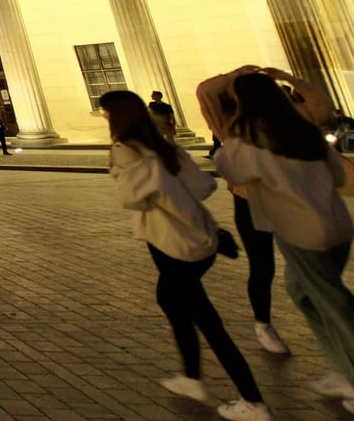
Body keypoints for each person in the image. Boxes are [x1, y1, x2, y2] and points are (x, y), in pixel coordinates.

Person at [101, 89, 268, 419]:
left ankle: (253, 402)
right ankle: (191, 377)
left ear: (117, 118)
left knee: (208, 322)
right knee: (169, 299)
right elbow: (205, 187)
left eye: (106, 115)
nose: (105, 120)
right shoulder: (166, 147)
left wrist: (134, 176)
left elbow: (131, 198)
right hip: (201, 239)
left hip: (172, 245)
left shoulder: (126, 152)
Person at [206, 65, 354, 406]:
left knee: (333, 303)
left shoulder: (247, 142)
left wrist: (231, 79)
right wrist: (289, 79)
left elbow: (230, 171)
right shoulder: (303, 130)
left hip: (301, 232)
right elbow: (337, 174)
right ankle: (341, 366)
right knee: (302, 293)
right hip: (337, 225)